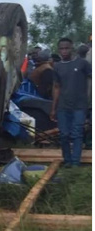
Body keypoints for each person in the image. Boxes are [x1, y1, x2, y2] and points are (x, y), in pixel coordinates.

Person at [50, 38, 91, 167]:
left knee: (77, 133)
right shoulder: (57, 66)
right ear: (58, 50)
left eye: (66, 48)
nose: (64, 51)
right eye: (61, 48)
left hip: (80, 105)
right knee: (64, 135)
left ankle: (75, 162)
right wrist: (53, 108)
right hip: (63, 106)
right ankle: (67, 160)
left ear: (72, 48)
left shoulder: (82, 64)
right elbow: (56, 87)